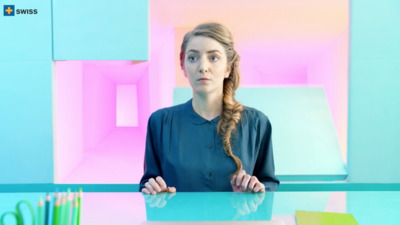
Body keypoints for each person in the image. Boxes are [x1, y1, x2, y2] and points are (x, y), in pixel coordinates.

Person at [140, 22, 279, 194]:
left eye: (213, 58)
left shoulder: (257, 123)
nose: (202, 67)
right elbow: (147, 184)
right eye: (193, 58)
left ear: (228, 67)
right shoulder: (160, 122)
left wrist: (254, 192)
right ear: (183, 66)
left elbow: (269, 184)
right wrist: (155, 193)